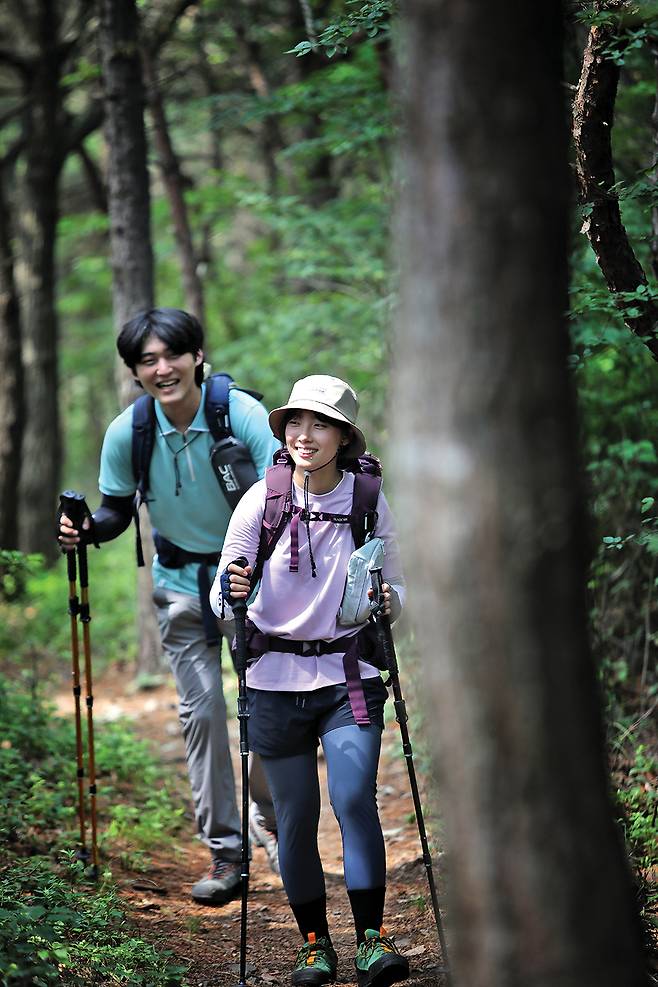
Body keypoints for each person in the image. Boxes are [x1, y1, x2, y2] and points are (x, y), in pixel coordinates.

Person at [58, 307, 280, 906]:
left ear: (197, 356)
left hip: (252, 584)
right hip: (181, 582)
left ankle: (268, 816)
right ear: (134, 371)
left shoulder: (240, 414)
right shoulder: (129, 432)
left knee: (269, 711)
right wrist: (86, 529)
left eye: (172, 355)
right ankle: (227, 852)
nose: (162, 369)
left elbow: (283, 492)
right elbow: (116, 510)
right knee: (202, 713)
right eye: (147, 360)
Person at [210, 375, 411, 987]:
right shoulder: (261, 500)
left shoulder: (367, 500)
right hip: (273, 679)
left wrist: (388, 600)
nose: (305, 434)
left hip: (349, 674)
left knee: (352, 799)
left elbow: (399, 588)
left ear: (344, 436)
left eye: (320, 423)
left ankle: (372, 940)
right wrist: (232, 589)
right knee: (296, 816)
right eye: (295, 422)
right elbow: (221, 596)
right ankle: (314, 945)